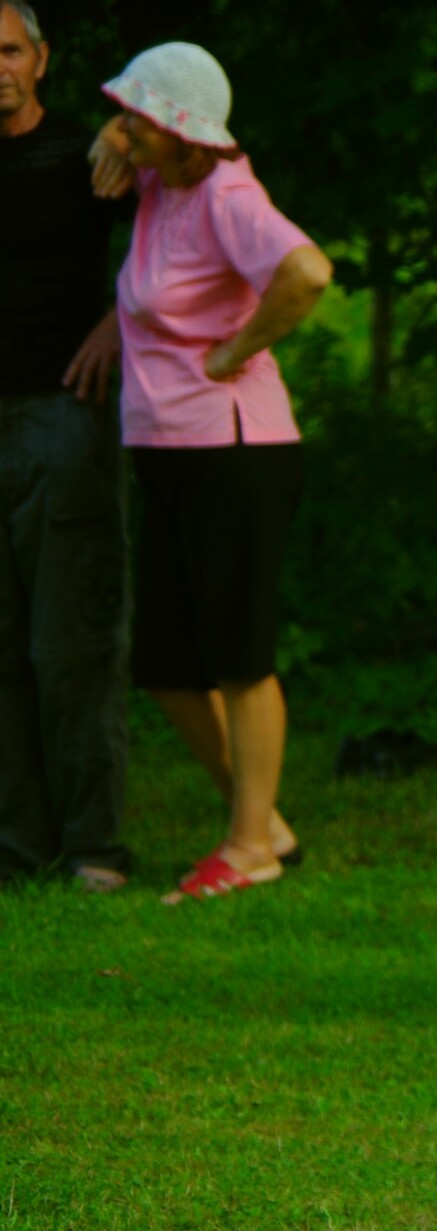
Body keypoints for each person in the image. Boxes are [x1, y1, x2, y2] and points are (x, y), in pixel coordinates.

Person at [95, 43, 330, 900]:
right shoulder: (164, 181)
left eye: (137, 117)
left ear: (180, 129)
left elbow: (307, 271)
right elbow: (112, 147)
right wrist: (112, 138)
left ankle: (249, 845)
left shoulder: (229, 194)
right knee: (165, 662)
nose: (123, 127)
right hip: (166, 448)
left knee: (239, 652)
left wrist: (237, 349)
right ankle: (259, 820)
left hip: (236, 450)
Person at [0, 1, 134, 892]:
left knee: (72, 640)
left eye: (8, 51)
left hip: (63, 415)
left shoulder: (92, 156)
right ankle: (17, 849)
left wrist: (122, 321)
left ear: (40, 59)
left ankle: (94, 848)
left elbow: (185, 227)